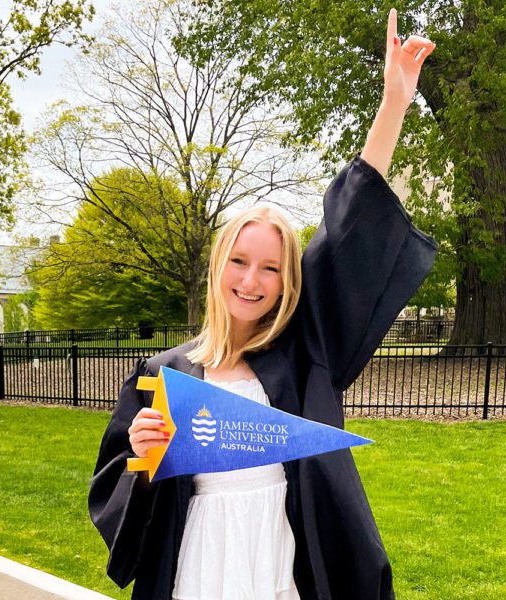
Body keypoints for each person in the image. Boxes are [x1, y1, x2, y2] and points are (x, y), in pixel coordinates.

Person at [89, 9, 437, 600]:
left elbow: (348, 232)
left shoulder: (302, 353)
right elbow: (118, 497)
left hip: (282, 560)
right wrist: (144, 459)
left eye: (272, 268)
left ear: (287, 281)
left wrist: (393, 105)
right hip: (198, 562)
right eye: (240, 261)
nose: (253, 280)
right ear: (218, 265)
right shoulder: (165, 375)